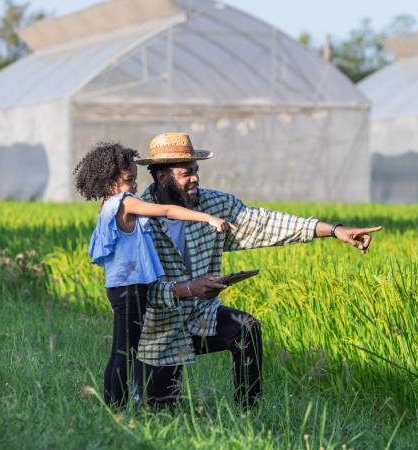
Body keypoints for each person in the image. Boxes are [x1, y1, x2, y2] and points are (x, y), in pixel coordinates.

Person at [134, 132, 382, 410]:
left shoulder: (215, 206)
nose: (195, 179)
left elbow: (266, 223)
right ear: (160, 176)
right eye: (185, 173)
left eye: (196, 171)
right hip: (159, 328)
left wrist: (335, 230)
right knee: (161, 411)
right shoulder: (139, 221)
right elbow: (138, 292)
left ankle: (248, 413)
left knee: (246, 329)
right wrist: (190, 288)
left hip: (198, 316)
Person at [72, 141, 233, 407]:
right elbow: (167, 210)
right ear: (111, 182)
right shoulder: (124, 202)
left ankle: (120, 401)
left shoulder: (106, 206)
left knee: (123, 350)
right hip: (131, 289)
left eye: (135, 179)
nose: (135, 186)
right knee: (126, 352)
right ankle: (117, 405)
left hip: (121, 288)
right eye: (128, 180)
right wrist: (207, 218)